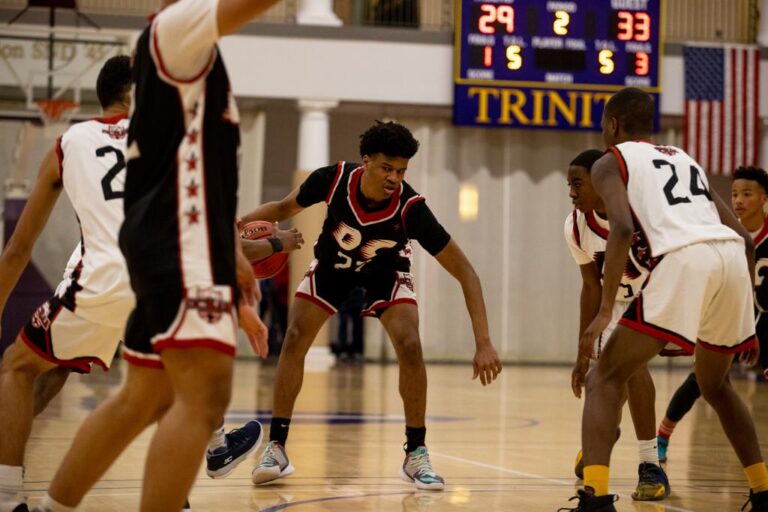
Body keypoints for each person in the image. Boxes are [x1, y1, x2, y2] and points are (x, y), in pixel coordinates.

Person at [32, 1, 282, 510]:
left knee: (144, 397)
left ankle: (47, 508)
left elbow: (203, 173)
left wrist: (231, 260)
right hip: (177, 242)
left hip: (178, 240)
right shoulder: (177, 26)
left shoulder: (191, 50)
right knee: (203, 397)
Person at [234, 120, 502, 491]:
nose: (395, 177)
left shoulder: (411, 209)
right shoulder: (332, 179)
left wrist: (483, 341)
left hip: (386, 271)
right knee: (294, 336)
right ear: (365, 161)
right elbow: (281, 207)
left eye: (402, 170)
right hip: (333, 267)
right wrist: (237, 225)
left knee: (409, 343)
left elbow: (466, 272)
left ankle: (416, 453)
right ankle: (276, 447)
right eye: (387, 168)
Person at [563, 87, 768, 512]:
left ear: (613, 125)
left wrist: (604, 313)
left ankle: (595, 499)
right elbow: (745, 238)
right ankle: (763, 491)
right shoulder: (682, 156)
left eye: (604, 124)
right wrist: (746, 316)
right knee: (716, 385)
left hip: (685, 259)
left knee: (604, 378)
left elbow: (620, 228)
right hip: (729, 258)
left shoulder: (610, 161)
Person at [0, 55, 133, 512]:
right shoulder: (169, 137)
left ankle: (6, 497)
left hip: (102, 279)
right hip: (160, 283)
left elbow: (18, 249)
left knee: (15, 367)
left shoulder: (68, 141)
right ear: (133, 92)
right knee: (61, 366)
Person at [564, 149, 670, 501]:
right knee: (622, 370)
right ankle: (645, 462)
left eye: (577, 184)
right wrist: (582, 349)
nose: (571, 193)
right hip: (617, 305)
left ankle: (619, 447)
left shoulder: (643, 214)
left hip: (659, 297)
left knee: (628, 368)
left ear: (600, 183)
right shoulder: (576, 226)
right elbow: (590, 286)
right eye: (569, 185)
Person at [656, 166, 768, 463]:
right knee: (702, 380)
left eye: (747, 194)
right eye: (734, 194)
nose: (738, 201)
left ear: (764, 198)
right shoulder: (722, 233)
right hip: (729, 315)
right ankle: (663, 435)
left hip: (764, 320)